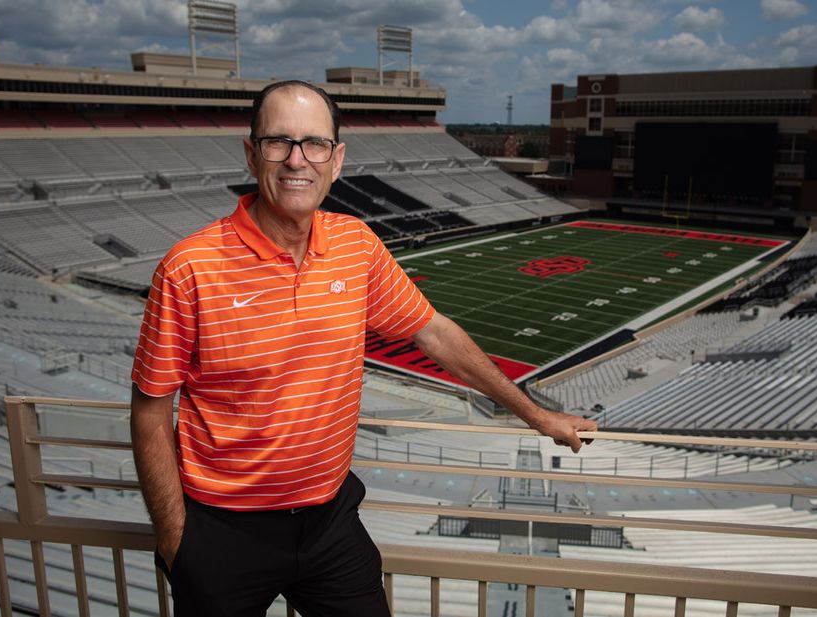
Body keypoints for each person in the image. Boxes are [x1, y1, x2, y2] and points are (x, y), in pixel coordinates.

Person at [130, 79, 597, 617]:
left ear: (337, 160)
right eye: (278, 141)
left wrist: (536, 416)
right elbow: (150, 409)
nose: (296, 160)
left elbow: (434, 333)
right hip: (223, 531)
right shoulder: (190, 267)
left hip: (330, 523)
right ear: (251, 152)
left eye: (314, 144)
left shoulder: (356, 244)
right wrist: (176, 540)